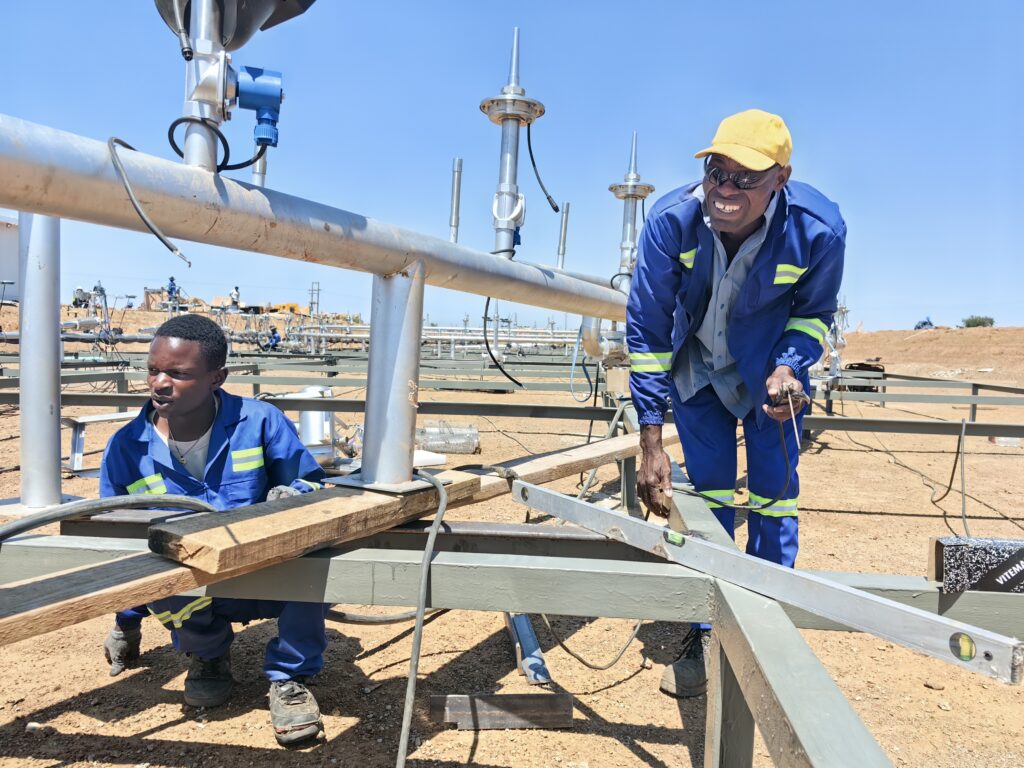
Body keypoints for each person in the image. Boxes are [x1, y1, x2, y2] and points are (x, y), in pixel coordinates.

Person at [626, 110, 845, 698]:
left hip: (770, 378)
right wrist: (650, 437)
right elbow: (646, 331)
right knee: (712, 498)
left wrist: (789, 368)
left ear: (781, 177)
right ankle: (707, 629)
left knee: (774, 498)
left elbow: (814, 314)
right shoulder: (672, 220)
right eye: (716, 172)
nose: (724, 190)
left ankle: (769, 625)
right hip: (698, 375)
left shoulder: (818, 229)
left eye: (745, 178)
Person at [99, 314, 330, 745]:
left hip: (268, 573)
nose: (159, 383)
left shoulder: (259, 422)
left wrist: (293, 497)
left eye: (178, 373)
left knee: (317, 550)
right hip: (191, 583)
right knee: (155, 573)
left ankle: (290, 677)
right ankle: (207, 656)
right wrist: (126, 621)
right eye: (153, 370)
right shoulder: (126, 448)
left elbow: (311, 485)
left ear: (216, 378)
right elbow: (117, 540)